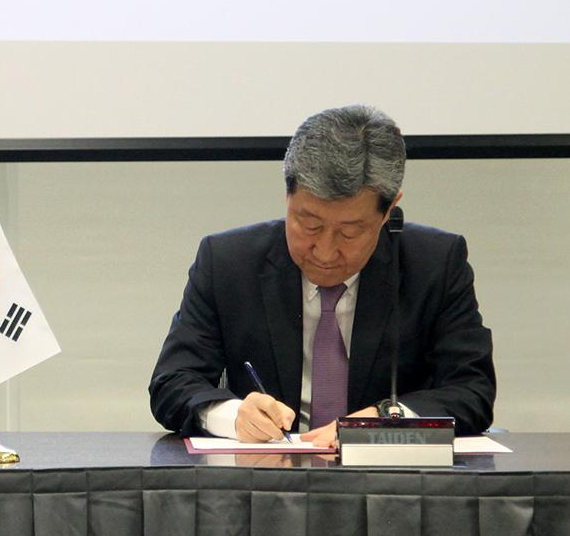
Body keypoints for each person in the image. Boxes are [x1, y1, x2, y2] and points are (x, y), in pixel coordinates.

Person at [149, 105, 495, 448]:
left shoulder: (435, 264)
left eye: (349, 232)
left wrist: (385, 420)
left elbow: (472, 390)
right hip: (264, 484)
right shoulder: (228, 262)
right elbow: (173, 381)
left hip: (390, 487)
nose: (325, 252)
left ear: (389, 210)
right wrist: (232, 414)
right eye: (309, 225)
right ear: (287, 196)